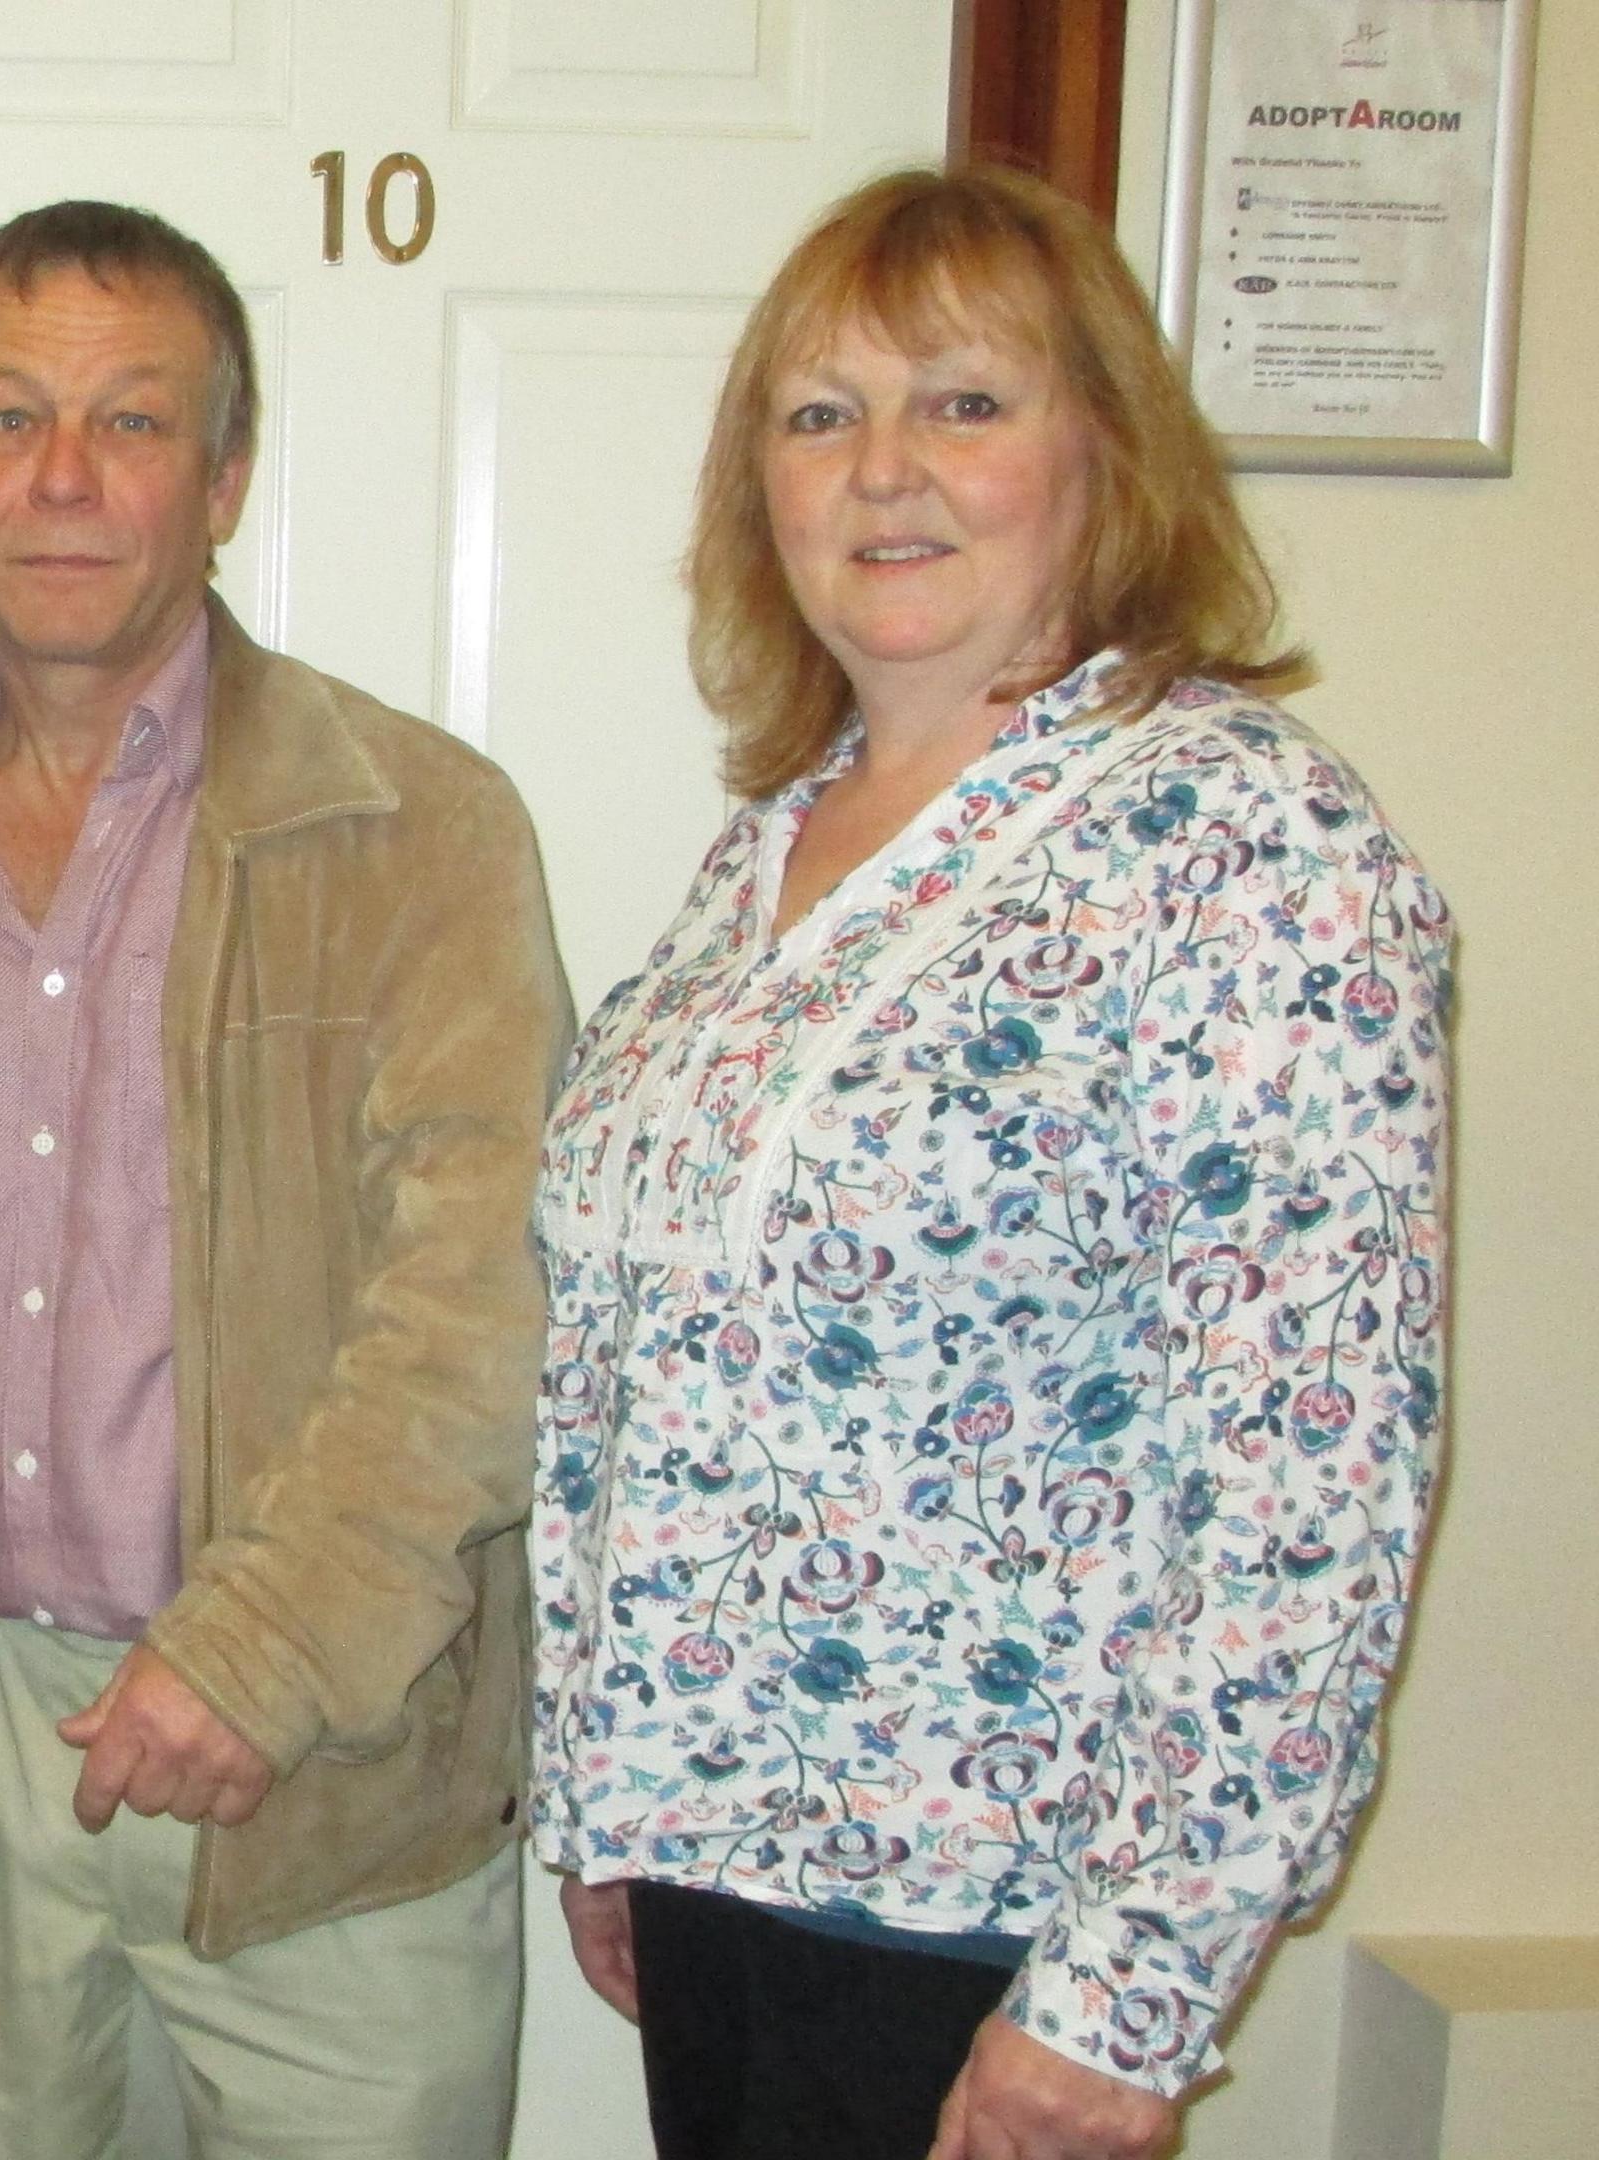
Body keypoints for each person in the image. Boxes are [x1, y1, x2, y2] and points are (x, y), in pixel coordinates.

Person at [531, 165, 1454, 2160]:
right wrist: (609, 1791)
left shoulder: (1240, 849)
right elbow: (635, 1370)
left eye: (963, 401)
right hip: (717, 1879)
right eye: (817, 413)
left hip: (1001, 1932)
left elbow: (1312, 1481)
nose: (882, 471)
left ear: (1105, 451)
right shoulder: (770, 849)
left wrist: (1131, 2003)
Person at [0, 200, 573, 2158]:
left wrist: (255, 1656)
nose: (64, 477)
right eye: (6, 421)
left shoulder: (417, 831)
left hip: (327, 1759)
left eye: (132, 420)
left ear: (227, 473)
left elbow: (482, 1316)